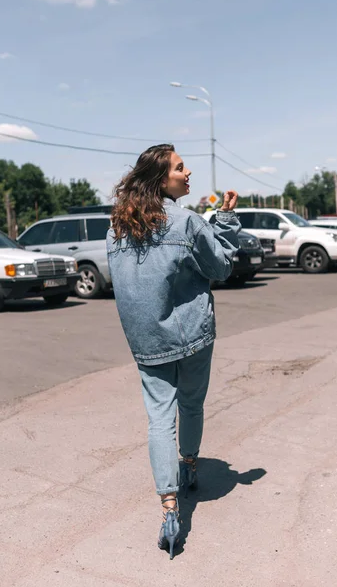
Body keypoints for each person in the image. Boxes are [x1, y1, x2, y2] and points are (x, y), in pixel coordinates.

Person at [107, 144, 241, 559]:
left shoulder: (117, 227)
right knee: (192, 405)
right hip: (192, 335)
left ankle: (169, 509)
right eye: (180, 168)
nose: (188, 173)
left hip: (146, 341)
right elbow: (221, 267)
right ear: (161, 178)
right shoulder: (186, 221)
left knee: (159, 419)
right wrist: (226, 221)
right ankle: (191, 467)